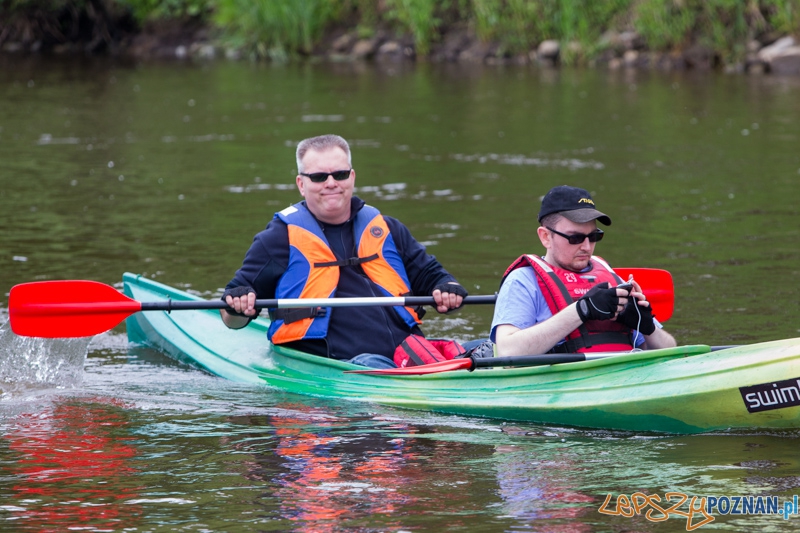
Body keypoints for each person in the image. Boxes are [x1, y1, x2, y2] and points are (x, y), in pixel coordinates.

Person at [221, 134, 468, 369]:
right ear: (301, 184)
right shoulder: (277, 239)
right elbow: (231, 318)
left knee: (479, 350)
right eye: (319, 177)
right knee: (371, 364)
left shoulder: (388, 229)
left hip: (407, 357)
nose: (331, 183)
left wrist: (447, 288)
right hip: (337, 367)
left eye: (339, 174)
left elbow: (433, 276)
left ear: (352, 177)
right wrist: (239, 306)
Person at [491, 185, 676, 357]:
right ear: (546, 237)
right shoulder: (522, 281)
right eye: (575, 238)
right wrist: (582, 310)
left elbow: (671, 352)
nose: (587, 247)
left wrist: (647, 328)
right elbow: (508, 352)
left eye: (594, 236)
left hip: (622, 376)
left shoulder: (614, 279)